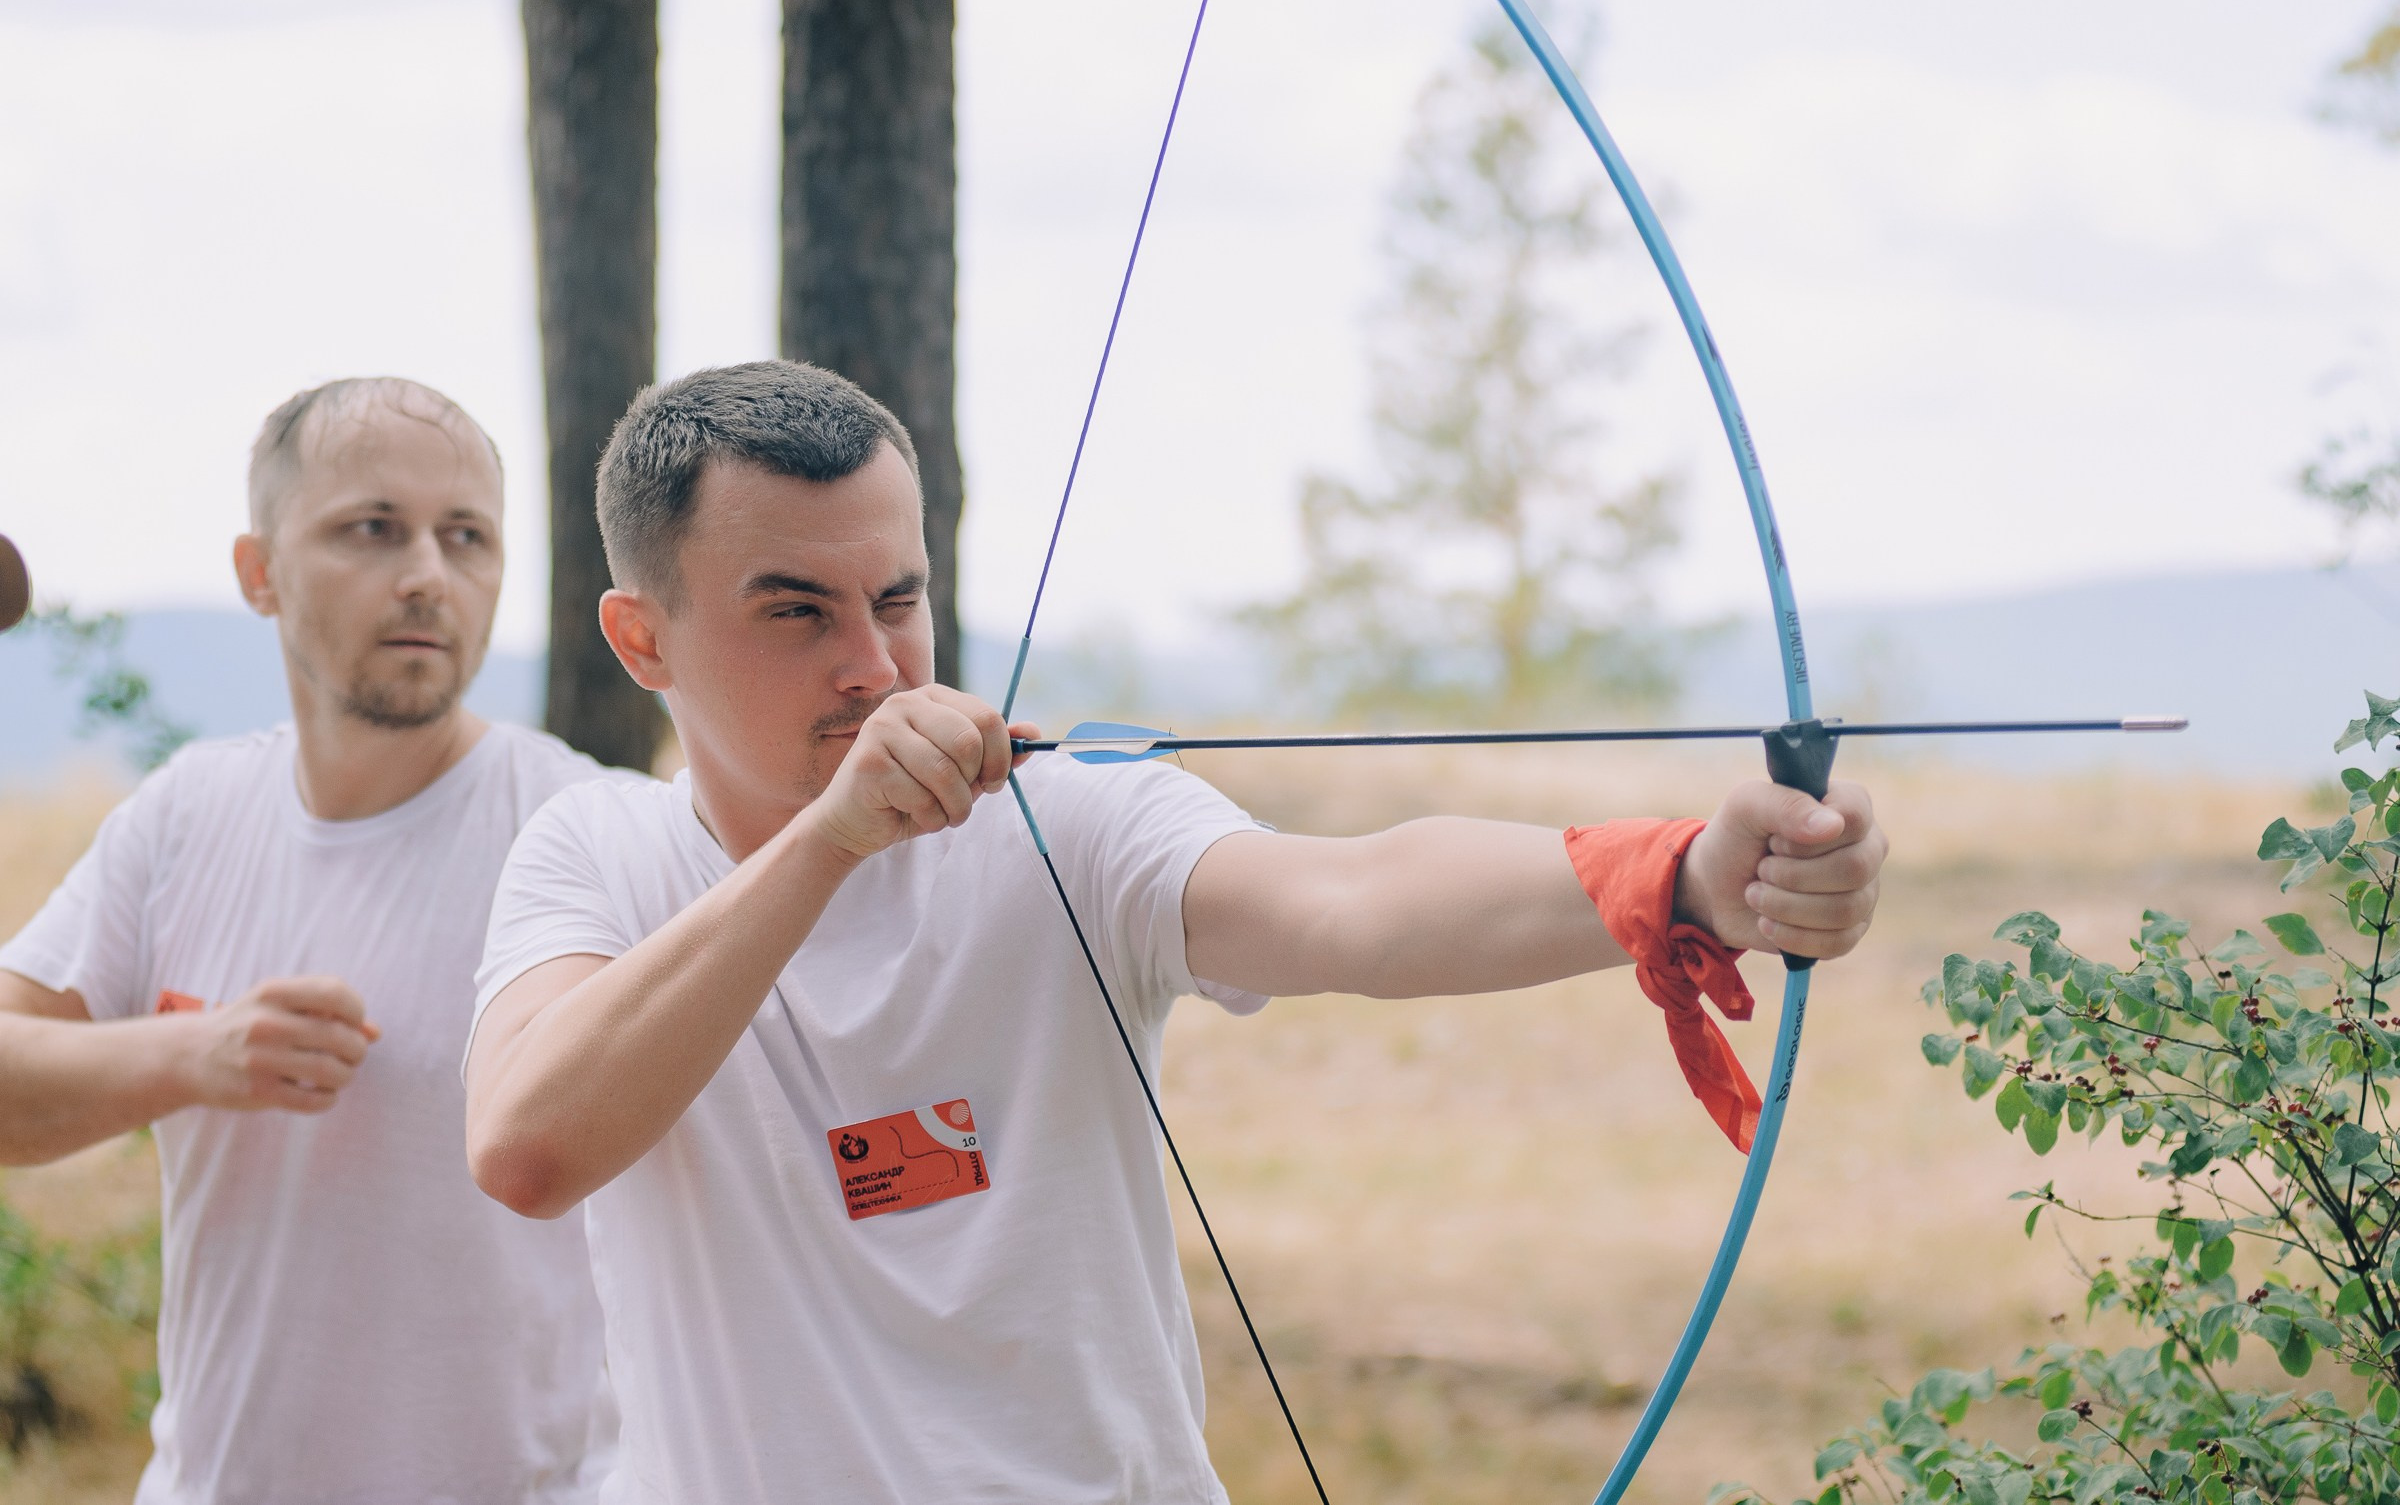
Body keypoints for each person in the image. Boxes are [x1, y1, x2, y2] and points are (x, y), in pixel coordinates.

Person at [464, 360, 1888, 1505]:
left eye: (899, 597)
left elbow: (1355, 901)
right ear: (642, 641)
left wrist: (1685, 876)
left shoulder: (1068, 819)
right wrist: (832, 840)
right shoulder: (593, 855)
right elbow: (532, 1143)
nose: (877, 664)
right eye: (798, 612)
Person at [0, 379, 619, 1504]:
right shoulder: (187, 813)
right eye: (373, 529)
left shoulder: (591, 832)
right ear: (260, 573)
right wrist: (190, 1057)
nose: (429, 571)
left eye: (466, 536)